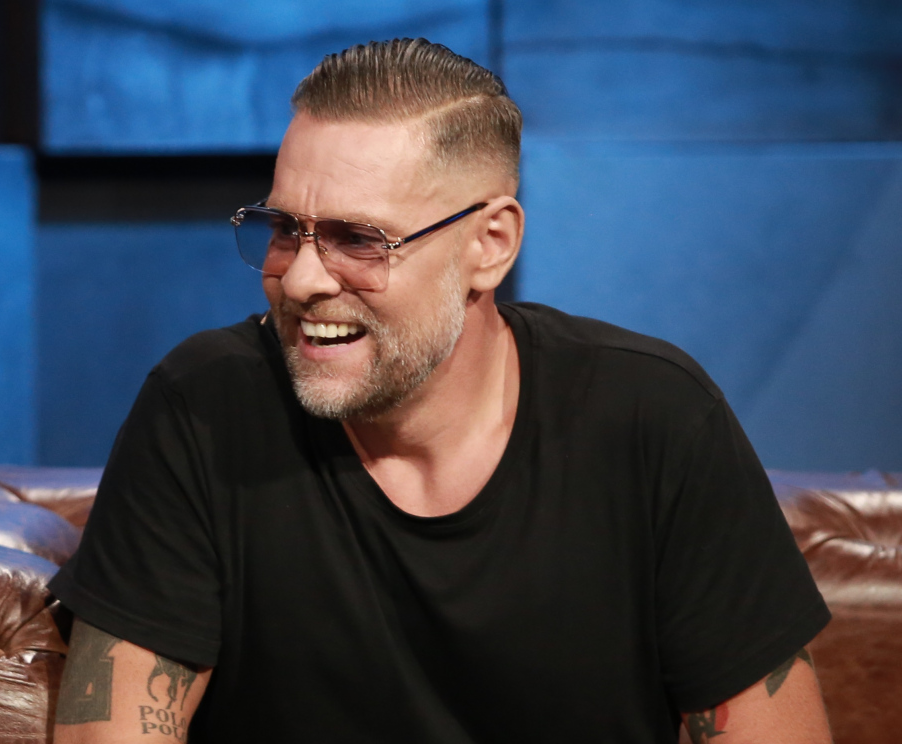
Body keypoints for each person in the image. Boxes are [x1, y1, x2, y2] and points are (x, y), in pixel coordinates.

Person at [49, 38, 833, 744]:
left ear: (490, 245)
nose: (303, 278)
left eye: (359, 239)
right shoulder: (204, 407)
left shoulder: (654, 418)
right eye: (286, 229)